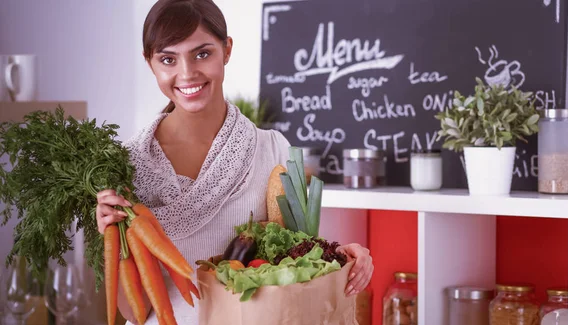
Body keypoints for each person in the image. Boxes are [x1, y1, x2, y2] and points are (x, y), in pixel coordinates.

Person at [95, 0, 374, 323]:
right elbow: (137, 312)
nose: (187, 74)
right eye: (168, 59)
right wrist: (111, 238)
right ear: (150, 63)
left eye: (202, 54)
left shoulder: (272, 151)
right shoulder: (125, 167)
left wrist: (342, 257)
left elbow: (295, 264)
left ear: (226, 50)